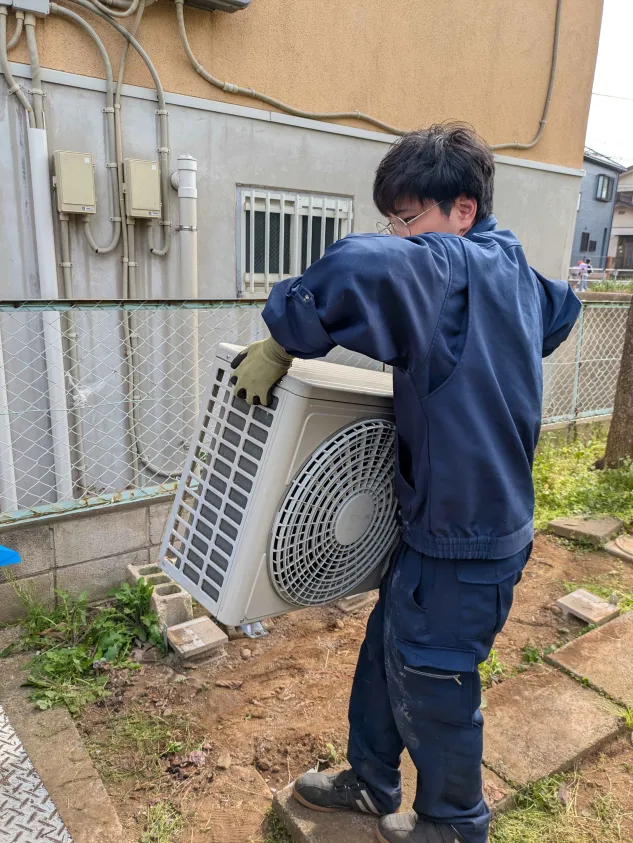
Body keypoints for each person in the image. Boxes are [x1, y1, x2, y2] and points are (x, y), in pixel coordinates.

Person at [230, 123, 581, 843]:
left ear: (461, 210)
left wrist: (280, 338)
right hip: (445, 522)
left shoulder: (449, 264)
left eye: (408, 218)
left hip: (466, 533)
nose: (399, 236)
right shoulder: (511, 270)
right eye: (393, 222)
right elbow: (560, 312)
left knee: (435, 678)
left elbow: (360, 267)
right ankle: (371, 779)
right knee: (387, 647)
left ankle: (454, 821)